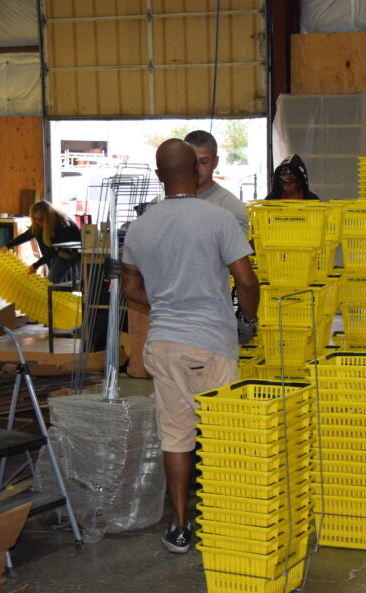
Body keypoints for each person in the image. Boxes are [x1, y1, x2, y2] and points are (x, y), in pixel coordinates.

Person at [119, 139, 260, 554]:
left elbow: (131, 287)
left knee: (176, 437)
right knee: (221, 436)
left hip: (163, 344)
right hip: (210, 343)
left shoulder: (140, 225)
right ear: (196, 170)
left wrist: (165, 300)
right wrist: (247, 320)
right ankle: (223, 521)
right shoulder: (218, 219)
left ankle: (180, 528)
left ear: (159, 173)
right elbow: (247, 282)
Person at [184, 130, 250, 235]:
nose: (197, 168)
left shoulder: (231, 208)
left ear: (215, 162)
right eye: (192, 161)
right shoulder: (170, 202)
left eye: (204, 162)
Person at [1, 200, 82, 284]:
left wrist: (36, 265)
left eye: (41, 219)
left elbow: (53, 251)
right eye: (35, 219)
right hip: (57, 252)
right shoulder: (39, 224)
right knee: (54, 281)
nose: (38, 222)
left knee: (51, 282)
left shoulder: (60, 224)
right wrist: (8, 246)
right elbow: (27, 235)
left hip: (71, 252)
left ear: (48, 217)